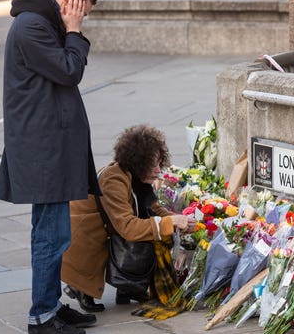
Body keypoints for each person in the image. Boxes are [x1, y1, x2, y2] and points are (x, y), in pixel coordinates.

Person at [0, 0, 100, 334]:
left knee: (54, 231)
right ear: (70, 1)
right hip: (42, 148)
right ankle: (41, 316)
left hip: (51, 143)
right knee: (51, 236)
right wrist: (74, 31)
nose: (80, 18)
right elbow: (70, 71)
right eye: (81, 11)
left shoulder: (40, 21)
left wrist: (70, 31)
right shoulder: (32, 27)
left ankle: (51, 304)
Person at [61, 125, 196, 313]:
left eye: (159, 163)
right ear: (137, 162)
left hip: (105, 231)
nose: (158, 170)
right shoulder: (113, 180)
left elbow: (153, 208)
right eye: (153, 165)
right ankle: (81, 288)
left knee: (153, 229)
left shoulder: (133, 176)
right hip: (85, 241)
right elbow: (127, 227)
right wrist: (170, 223)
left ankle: (127, 287)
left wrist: (178, 219)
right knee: (149, 232)